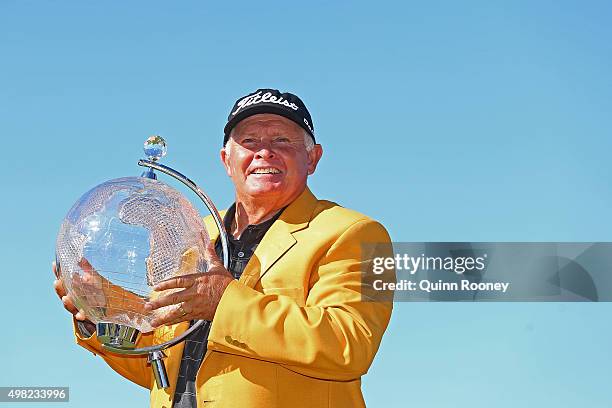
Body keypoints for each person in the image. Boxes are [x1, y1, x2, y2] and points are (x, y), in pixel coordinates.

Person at [53, 88, 394, 408]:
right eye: (249, 141)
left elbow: (350, 344)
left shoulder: (359, 233)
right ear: (226, 159)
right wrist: (101, 317)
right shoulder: (189, 234)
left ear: (313, 158)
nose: (264, 151)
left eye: (282, 140)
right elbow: (161, 366)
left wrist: (223, 301)